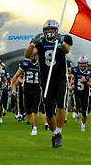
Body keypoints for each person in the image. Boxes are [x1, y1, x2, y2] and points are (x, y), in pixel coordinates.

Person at [24, 19, 72, 148]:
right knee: (49, 111)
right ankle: (54, 133)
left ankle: (59, 133)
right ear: (44, 31)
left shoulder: (62, 40)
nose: (49, 31)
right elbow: (27, 55)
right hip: (45, 80)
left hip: (61, 78)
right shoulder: (40, 43)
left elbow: (67, 50)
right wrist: (33, 42)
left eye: (52, 29)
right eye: (47, 29)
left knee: (61, 106)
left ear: (56, 30)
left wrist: (61, 41)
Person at [11, 54, 42, 135]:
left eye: (35, 56)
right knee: (27, 107)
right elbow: (17, 75)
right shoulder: (25, 64)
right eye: (32, 56)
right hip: (27, 89)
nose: (34, 57)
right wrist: (11, 85)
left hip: (37, 89)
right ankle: (28, 121)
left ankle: (35, 128)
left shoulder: (41, 65)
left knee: (35, 109)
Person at [69, 56, 91, 132]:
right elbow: (72, 78)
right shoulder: (75, 70)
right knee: (78, 104)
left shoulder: (90, 72)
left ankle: (83, 124)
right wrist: (72, 84)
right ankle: (77, 114)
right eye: (81, 63)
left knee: (85, 112)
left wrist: (86, 81)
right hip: (77, 92)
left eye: (84, 63)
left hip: (86, 93)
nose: (82, 65)